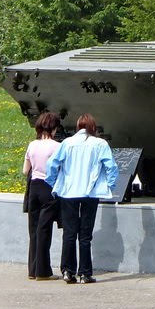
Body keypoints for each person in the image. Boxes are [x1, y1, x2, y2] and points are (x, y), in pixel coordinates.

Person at [44, 113, 118, 284]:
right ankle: (85, 273)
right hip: (91, 192)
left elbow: (52, 164)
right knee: (85, 235)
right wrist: (110, 185)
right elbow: (111, 167)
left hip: (68, 192)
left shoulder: (67, 143)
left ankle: (67, 270)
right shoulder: (100, 144)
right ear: (93, 127)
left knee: (69, 233)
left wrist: (54, 182)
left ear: (78, 126)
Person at [23, 112, 61, 280]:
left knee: (33, 229)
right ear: (54, 128)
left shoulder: (32, 145)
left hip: (34, 188)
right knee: (44, 230)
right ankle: (43, 271)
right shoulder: (57, 146)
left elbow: (25, 170)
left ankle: (32, 270)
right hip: (48, 188)